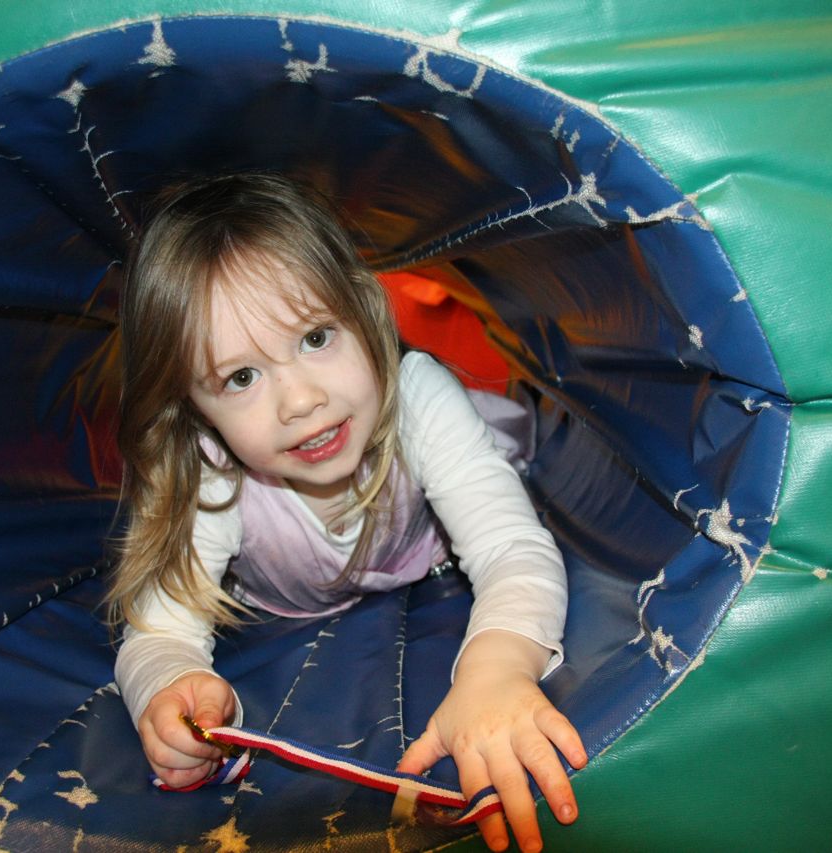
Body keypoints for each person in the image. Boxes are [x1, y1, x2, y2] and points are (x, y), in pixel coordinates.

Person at [109, 172, 586, 853]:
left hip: (428, 524)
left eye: (315, 337)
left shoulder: (416, 400)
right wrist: (174, 687)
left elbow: (512, 547)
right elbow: (158, 629)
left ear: (364, 308)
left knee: (495, 445)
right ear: (194, 408)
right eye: (241, 377)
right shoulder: (208, 471)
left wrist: (497, 670)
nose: (301, 400)